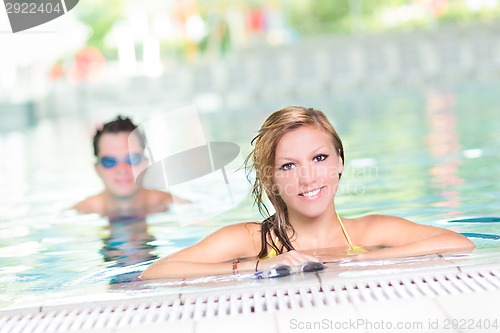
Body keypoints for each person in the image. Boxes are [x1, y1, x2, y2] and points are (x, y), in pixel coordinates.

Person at [140, 106, 475, 280]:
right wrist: (258, 266)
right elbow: (155, 272)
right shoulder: (249, 240)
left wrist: (361, 259)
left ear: (339, 163)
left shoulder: (368, 232)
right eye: (288, 166)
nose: (308, 177)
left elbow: (459, 243)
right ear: (270, 178)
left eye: (319, 158)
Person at [74, 115, 182, 217]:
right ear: (97, 169)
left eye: (132, 159)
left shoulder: (177, 206)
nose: (122, 169)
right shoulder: (78, 213)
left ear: (146, 163)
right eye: (110, 161)